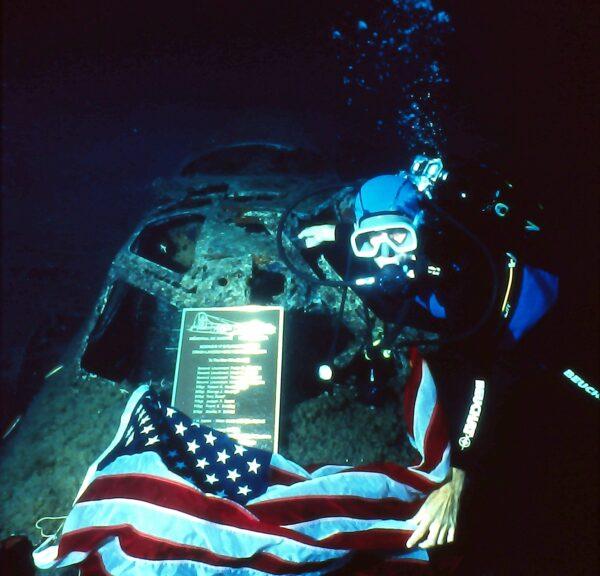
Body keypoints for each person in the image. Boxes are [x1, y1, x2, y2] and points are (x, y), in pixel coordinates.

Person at [297, 156, 560, 553]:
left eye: (398, 238)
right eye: (368, 242)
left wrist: (457, 479)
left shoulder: (464, 275)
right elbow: (376, 232)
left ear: (423, 228)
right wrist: (337, 234)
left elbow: (485, 373)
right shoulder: (390, 256)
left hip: (530, 331)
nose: (385, 255)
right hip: (459, 327)